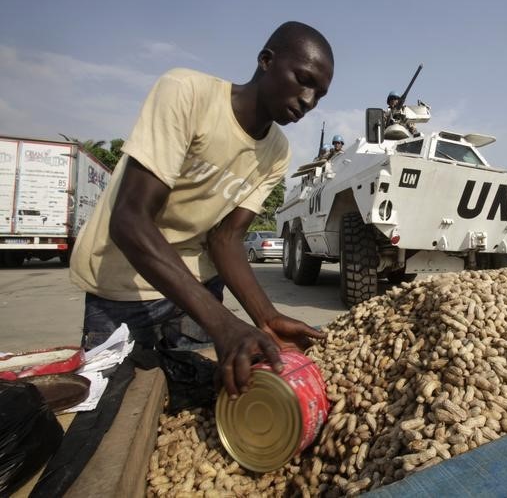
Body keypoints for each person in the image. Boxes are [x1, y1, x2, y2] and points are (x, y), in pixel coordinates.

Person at [69, 21, 334, 397]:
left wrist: (267, 317)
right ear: (266, 60)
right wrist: (222, 323)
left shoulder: (277, 151)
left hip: (197, 288)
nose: (309, 101)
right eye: (303, 79)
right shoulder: (187, 93)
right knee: (114, 412)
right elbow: (129, 220)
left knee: (200, 404)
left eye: (319, 95)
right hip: (122, 285)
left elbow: (225, 238)